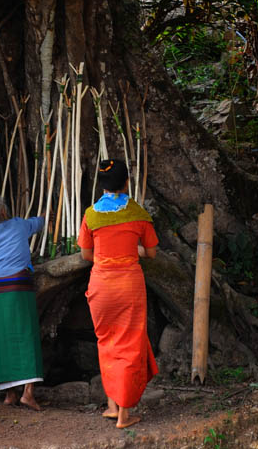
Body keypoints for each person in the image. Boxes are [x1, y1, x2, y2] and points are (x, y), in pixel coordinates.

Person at [77, 159, 158, 429]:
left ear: (101, 184)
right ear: (126, 182)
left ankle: (112, 405)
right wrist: (131, 251)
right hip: (128, 286)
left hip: (101, 287)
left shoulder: (91, 215)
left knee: (107, 342)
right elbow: (151, 252)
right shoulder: (138, 213)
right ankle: (124, 414)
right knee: (130, 345)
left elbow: (87, 255)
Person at [0, 193, 44, 411]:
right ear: (3, 211)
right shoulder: (18, 225)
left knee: (2, 337)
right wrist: (47, 217)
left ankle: (9, 394)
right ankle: (28, 393)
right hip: (19, 284)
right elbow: (38, 223)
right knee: (27, 335)